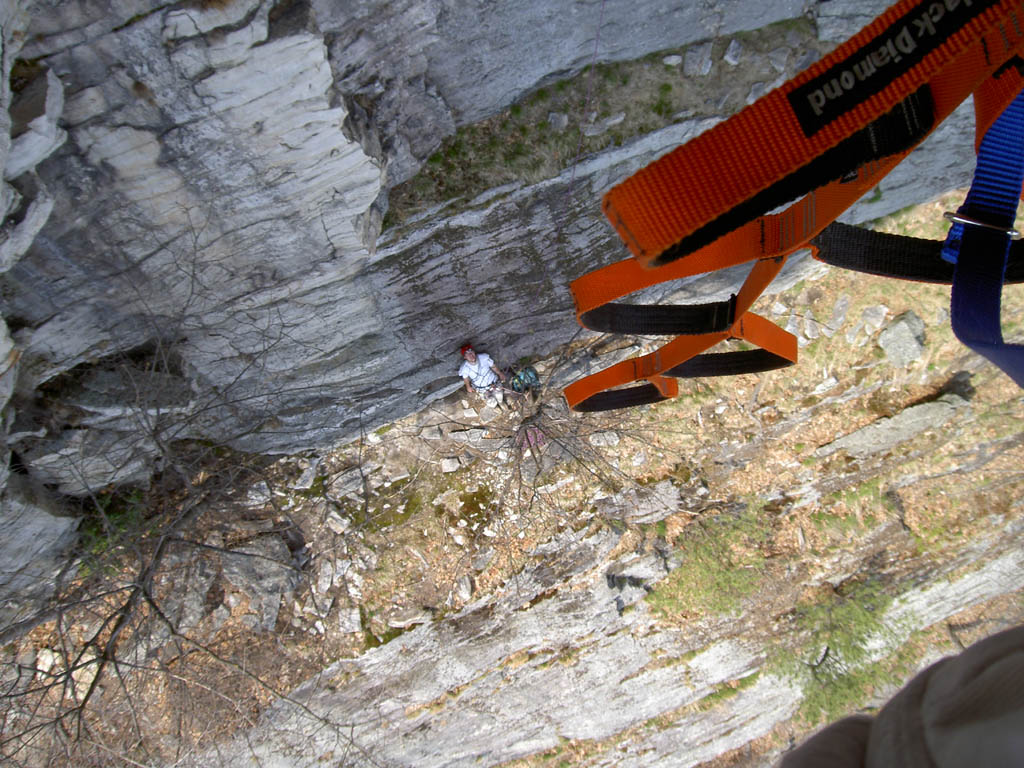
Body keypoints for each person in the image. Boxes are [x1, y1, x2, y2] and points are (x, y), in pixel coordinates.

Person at [458, 344, 507, 409]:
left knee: (499, 395)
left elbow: (493, 366)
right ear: (465, 357)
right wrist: (468, 386)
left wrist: (500, 373)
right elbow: (465, 378)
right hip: (482, 389)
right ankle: (496, 407)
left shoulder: (484, 357)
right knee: (491, 403)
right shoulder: (464, 368)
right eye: (467, 354)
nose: (471, 355)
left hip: (494, 382)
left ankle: (501, 403)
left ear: (474, 352)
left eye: (471, 352)